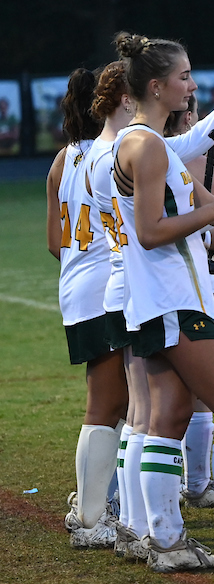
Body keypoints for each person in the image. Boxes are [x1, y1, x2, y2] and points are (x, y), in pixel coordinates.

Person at [90, 59, 214, 560]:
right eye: (183, 76)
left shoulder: (149, 144)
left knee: (169, 415)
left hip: (164, 298)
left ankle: (164, 539)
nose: (191, 85)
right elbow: (149, 232)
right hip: (171, 301)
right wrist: (213, 211)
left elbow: (209, 213)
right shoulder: (143, 145)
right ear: (155, 86)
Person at [47, 67, 123, 550]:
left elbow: (56, 243)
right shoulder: (109, 155)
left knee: (118, 405)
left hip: (75, 289)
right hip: (105, 291)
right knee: (107, 407)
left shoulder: (62, 159)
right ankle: (92, 516)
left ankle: (97, 504)